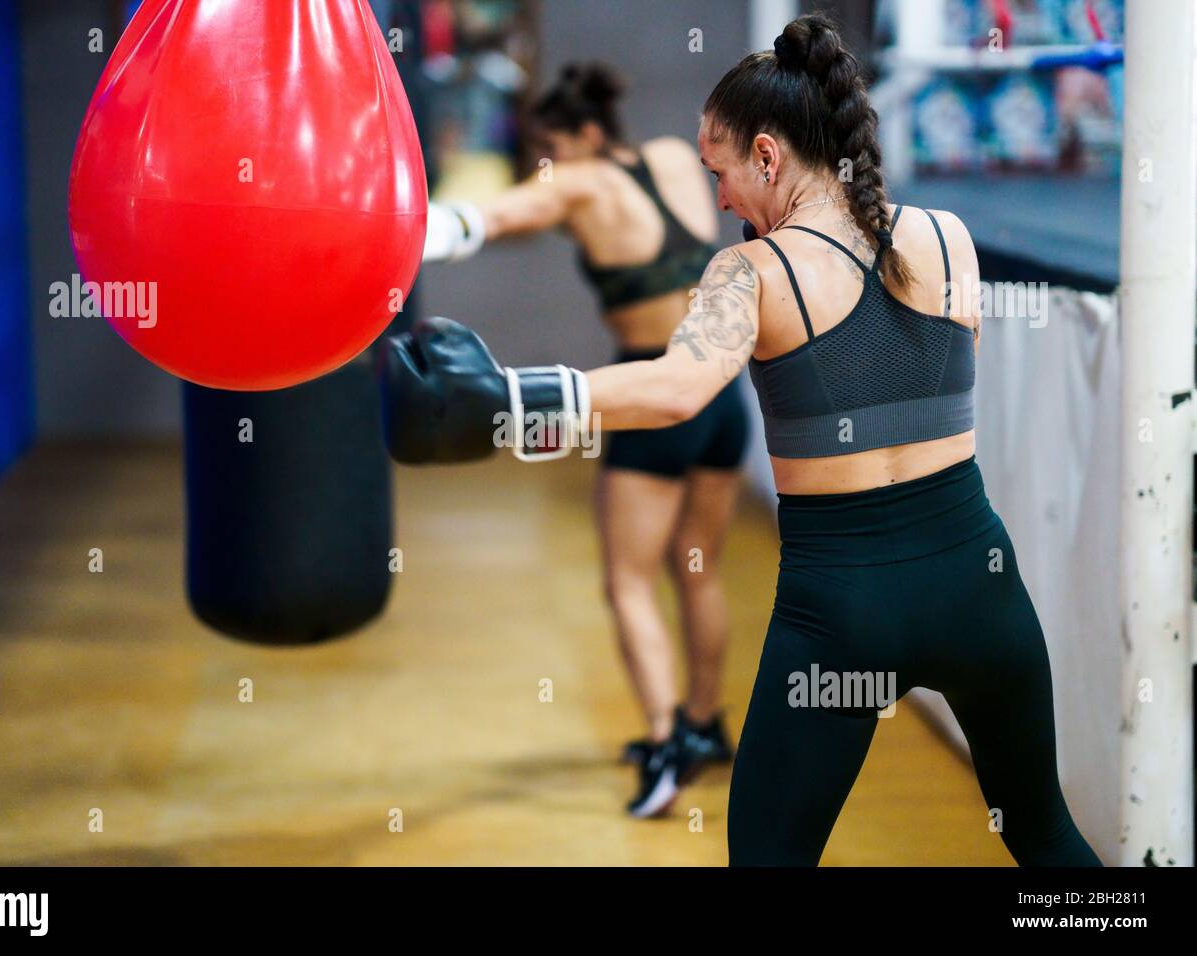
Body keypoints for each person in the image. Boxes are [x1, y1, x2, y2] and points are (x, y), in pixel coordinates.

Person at [383, 13, 1103, 866]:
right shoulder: (946, 235)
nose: (718, 196)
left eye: (719, 170)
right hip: (979, 592)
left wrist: (509, 397)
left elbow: (675, 389)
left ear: (767, 156)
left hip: (842, 612)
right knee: (1043, 834)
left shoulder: (753, 272)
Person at [421, 62, 749, 818]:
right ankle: (705, 725)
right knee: (698, 572)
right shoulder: (673, 156)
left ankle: (666, 746)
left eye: (555, 146)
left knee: (628, 582)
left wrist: (409, 229)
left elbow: (489, 218)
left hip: (647, 395)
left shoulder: (580, 182)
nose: (550, 164)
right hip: (719, 392)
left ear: (587, 135)